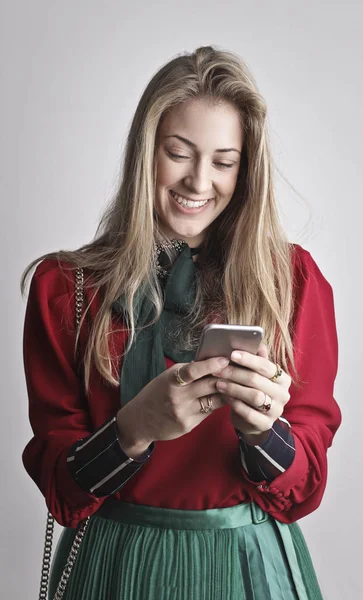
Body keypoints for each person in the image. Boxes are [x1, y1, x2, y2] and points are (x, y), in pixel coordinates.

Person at [21, 45, 341, 600]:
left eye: (223, 161)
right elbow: (61, 490)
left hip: (249, 566)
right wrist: (132, 429)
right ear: (145, 152)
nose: (198, 181)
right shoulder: (63, 287)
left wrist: (264, 432)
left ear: (246, 170)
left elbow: (305, 486)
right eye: (178, 152)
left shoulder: (292, 280)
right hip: (113, 566)